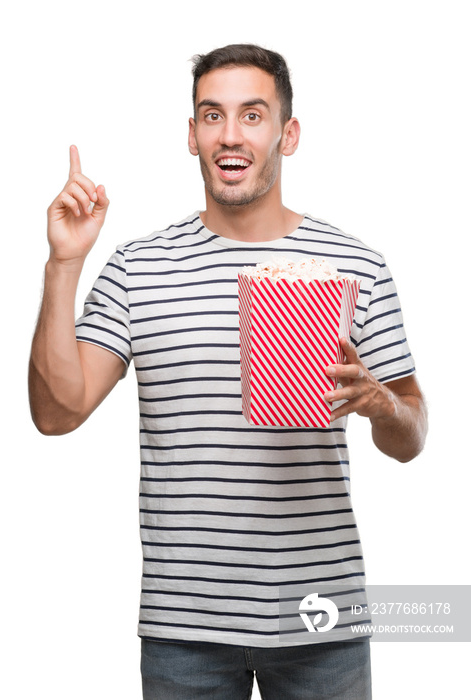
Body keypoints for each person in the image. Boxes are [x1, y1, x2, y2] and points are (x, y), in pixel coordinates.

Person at [29, 44, 428, 700]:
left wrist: (382, 404)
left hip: (320, 616)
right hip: (184, 626)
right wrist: (63, 263)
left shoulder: (356, 264)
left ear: (286, 134)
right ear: (192, 135)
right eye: (212, 116)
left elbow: (412, 436)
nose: (231, 134)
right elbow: (56, 413)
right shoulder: (139, 267)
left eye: (253, 114)